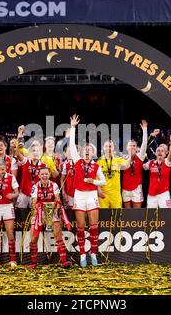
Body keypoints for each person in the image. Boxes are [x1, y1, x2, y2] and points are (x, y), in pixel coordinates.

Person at [70, 114, 106, 267]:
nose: (86, 151)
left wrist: (94, 181)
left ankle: (94, 253)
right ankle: (83, 254)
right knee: (80, 226)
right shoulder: (77, 161)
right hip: (79, 195)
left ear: (93, 153)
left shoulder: (96, 166)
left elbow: (103, 181)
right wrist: (72, 128)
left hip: (92, 195)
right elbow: (72, 145)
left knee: (93, 225)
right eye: (85, 149)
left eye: (89, 150)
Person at [29, 167, 71, 268]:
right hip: (39, 212)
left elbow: (57, 200)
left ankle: (64, 261)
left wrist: (54, 210)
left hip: (52, 211)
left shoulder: (54, 185)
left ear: (49, 175)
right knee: (34, 237)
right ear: (39, 176)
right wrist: (41, 214)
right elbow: (33, 202)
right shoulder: (35, 187)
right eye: (42, 174)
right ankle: (33, 262)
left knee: (58, 235)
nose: (44, 176)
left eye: (46, 174)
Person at [143, 131, 171, 208]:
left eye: (162, 151)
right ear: (155, 153)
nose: (160, 152)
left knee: (166, 215)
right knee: (150, 215)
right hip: (151, 194)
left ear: (165, 154)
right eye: (158, 150)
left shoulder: (167, 163)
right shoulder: (150, 163)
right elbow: (140, 166)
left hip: (164, 193)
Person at [97, 140, 130, 209]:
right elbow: (96, 177)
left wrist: (128, 156)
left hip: (115, 194)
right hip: (103, 193)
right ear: (103, 148)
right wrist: (99, 190)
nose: (108, 148)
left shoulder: (118, 159)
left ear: (113, 148)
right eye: (106, 146)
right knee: (103, 216)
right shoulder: (99, 161)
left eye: (110, 146)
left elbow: (127, 165)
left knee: (117, 216)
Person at [122, 120, 148, 208]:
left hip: (137, 188)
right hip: (125, 188)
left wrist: (144, 129)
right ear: (126, 147)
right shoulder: (122, 158)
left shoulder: (140, 157)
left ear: (137, 148)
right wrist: (129, 157)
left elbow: (144, 144)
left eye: (134, 146)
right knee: (127, 213)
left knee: (137, 214)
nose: (132, 147)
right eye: (130, 145)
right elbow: (123, 167)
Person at [14, 143, 46, 209]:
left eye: (37, 151)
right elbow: (17, 153)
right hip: (24, 193)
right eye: (34, 150)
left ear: (40, 153)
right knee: (22, 215)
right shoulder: (26, 161)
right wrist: (18, 142)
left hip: (36, 194)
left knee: (34, 216)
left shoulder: (44, 165)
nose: (35, 152)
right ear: (30, 152)